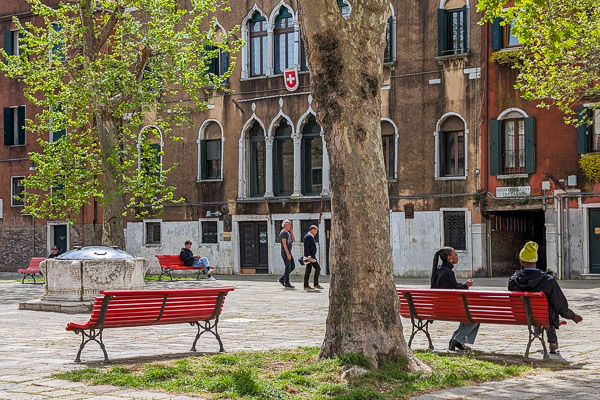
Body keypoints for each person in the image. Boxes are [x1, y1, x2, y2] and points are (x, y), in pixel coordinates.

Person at [508, 241, 583, 354]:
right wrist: (572, 316)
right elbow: (559, 303)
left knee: (535, 306)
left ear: (522, 262)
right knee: (550, 305)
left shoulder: (514, 280)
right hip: (545, 316)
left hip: (523, 316)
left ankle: (537, 326)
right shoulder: (548, 280)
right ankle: (552, 342)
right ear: (536, 260)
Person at [431, 247, 480, 351]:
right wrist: (466, 286)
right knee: (475, 315)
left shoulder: (439, 270)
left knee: (469, 313)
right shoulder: (447, 272)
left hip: (439, 307)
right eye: (455, 254)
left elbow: (449, 287)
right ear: (450, 258)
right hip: (449, 308)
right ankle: (457, 339)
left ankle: (457, 339)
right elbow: (454, 292)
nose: (457, 257)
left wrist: (463, 285)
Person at [301, 225, 323, 290]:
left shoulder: (310, 237)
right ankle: (315, 284)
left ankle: (306, 285)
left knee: (308, 270)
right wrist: (309, 256)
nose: (316, 232)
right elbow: (306, 247)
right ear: (312, 230)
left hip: (311, 256)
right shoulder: (308, 237)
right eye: (316, 231)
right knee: (318, 268)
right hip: (310, 257)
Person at [278, 220, 295, 289]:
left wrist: (291, 232)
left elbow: (293, 240)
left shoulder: (287, 233)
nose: (290, 226)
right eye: (289, 225)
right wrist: (288, 253)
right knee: (288, 267)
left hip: (289, 252)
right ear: (286, 225)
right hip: (285, 252)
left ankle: (282, 279)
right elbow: (284, 244)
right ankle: (287, 282)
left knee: (292, 266)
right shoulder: (283, 233)